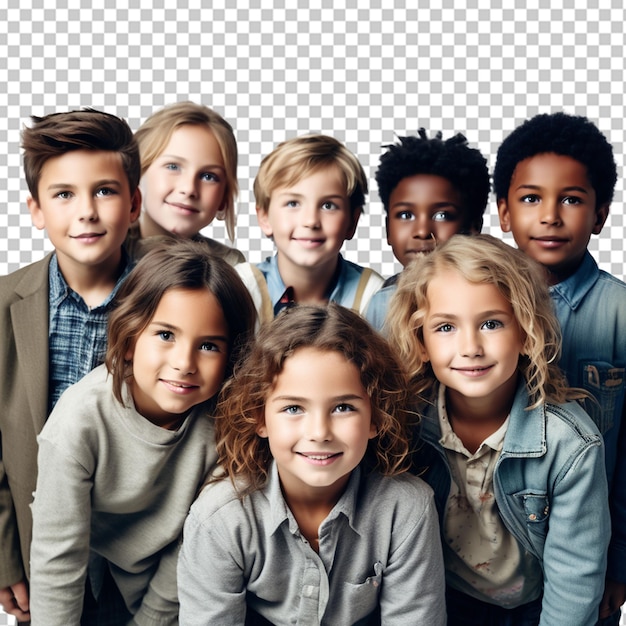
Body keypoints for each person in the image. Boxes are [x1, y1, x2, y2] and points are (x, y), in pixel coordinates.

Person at [386, 234, 610, 625]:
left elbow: (576, 578)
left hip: (536, 607)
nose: (470, 346)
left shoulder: (570, 444)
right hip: (441, 599)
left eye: (490, 323)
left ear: (525, 332)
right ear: (420, 342)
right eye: (445, 327)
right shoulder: (403, 423)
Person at [29, 240, 256, 625]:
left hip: (183, 583)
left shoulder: (226, 426)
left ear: (231, 355)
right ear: (131, 337)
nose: (184, 363)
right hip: (88, 570)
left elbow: (193, 544)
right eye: (166, 335)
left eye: (208, 346)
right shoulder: (79, 420)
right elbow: (57, 554)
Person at [177, 303, 446, 625]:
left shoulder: (406, 508)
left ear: (376, 417)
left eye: (343, 407)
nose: (319, 433)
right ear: (259, 417)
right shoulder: (221, 518)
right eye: (293, 409)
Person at [0, 108, 142, 622]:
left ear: (134, 204)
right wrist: (5, 555)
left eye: (104, 191)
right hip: (45, 553)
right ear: (36, 209)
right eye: (64, 195)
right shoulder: (5, 303)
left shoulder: (170, 296)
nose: (86, 211)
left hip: (143, 557)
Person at [494, 111, 626, 625]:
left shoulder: (618, 314)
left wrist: (619, 564)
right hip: (476, 554)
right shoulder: (474, 308)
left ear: (600, 214)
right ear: (504, 212)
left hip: (584, 557)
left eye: (571, 199)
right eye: (531, 199)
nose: (550, 215)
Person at [235, 134, 383, 323]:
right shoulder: (241, 288)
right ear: (264, 217)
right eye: (293, 203)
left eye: (328, 205)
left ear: (352, 222)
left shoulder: (373, 296)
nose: (311, 221)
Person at [365, 128, 489, 330]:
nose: (422, 231)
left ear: (474, 227)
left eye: (442, 215)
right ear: (388, 230)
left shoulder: (493, 294)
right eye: (406, 215)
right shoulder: (380, 305)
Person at [127, 101, 244, 265]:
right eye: (173, 166)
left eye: (208, 176)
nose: (189, 189)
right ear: (137, 172)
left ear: (223, 198)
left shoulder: (233, 267)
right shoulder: (103, 251)